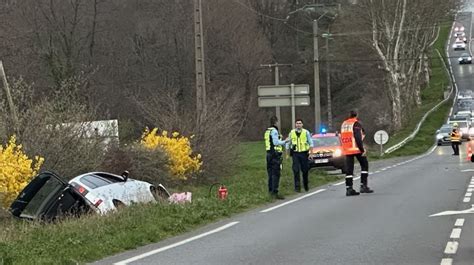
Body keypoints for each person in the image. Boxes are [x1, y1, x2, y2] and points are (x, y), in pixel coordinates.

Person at [340, 110, 374, 196]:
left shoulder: (344, 124)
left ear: (349, 115)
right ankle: (363, 186)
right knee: (364, 165)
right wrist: (362, 149)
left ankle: (349, 188)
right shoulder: (356, 124)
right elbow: (358, 137)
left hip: (347, 149)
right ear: (356, 115)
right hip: (356, 148)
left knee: (349, 170)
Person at [264, 116, 288, 200]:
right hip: (275, 154)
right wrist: (285, 141)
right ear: (276, 122)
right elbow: (275, 142)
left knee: (270, 174)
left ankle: (270, 192)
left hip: (268, 154)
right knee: (276, 174)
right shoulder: (274, 131)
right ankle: (275, 192)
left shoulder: (267, 131)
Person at [287, 119, 313, 192]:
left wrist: (311, 153)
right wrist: (287, 154)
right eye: (297, 123)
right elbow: (288, 143)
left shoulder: (306, 132)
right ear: (295, 125)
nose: (298, 124)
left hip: (304, 153)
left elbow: (311, 143)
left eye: (300, 123)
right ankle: (297, 187)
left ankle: (306, 185)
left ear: (302, 124)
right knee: (296, 170)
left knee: (305, 170)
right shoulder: (292, 133)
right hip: (295, 153)